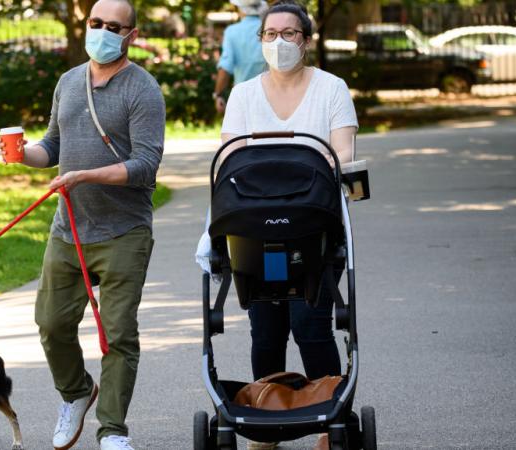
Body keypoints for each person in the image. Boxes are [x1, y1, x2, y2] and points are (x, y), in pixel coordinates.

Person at [0, 1, 165, 449]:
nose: (104, 32)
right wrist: (22, 154)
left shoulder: (143, 89)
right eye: (96, 24)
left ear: (131, 34)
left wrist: (85, 175)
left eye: (115, 26)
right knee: (51, 323)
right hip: (69, 229)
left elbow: (146, 165)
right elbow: (53, 146)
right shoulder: (69, 82)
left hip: (123, 231)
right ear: (85, 24)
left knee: (118, 335)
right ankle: (75, 393)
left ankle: (112, 430)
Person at [197, 2, 358, 449]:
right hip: (254, 227)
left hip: (313, 225)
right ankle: (265, 421)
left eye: (290, 34)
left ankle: (329, 420)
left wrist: (304, 171)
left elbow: (343, 153)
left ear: (306, 41)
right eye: (271, 34)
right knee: (265, 330)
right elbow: (229, 155)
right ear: (260, 39)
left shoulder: (331, 88)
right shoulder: (244, 95)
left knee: (312, 326)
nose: (279, 42)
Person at [212, 0, 269, 114]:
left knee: (244, 132)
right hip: (272, 94)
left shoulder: (232, 32)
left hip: (243, 96)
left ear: (242, 9)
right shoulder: (269, 28)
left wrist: (218, 94)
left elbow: (226, 67)